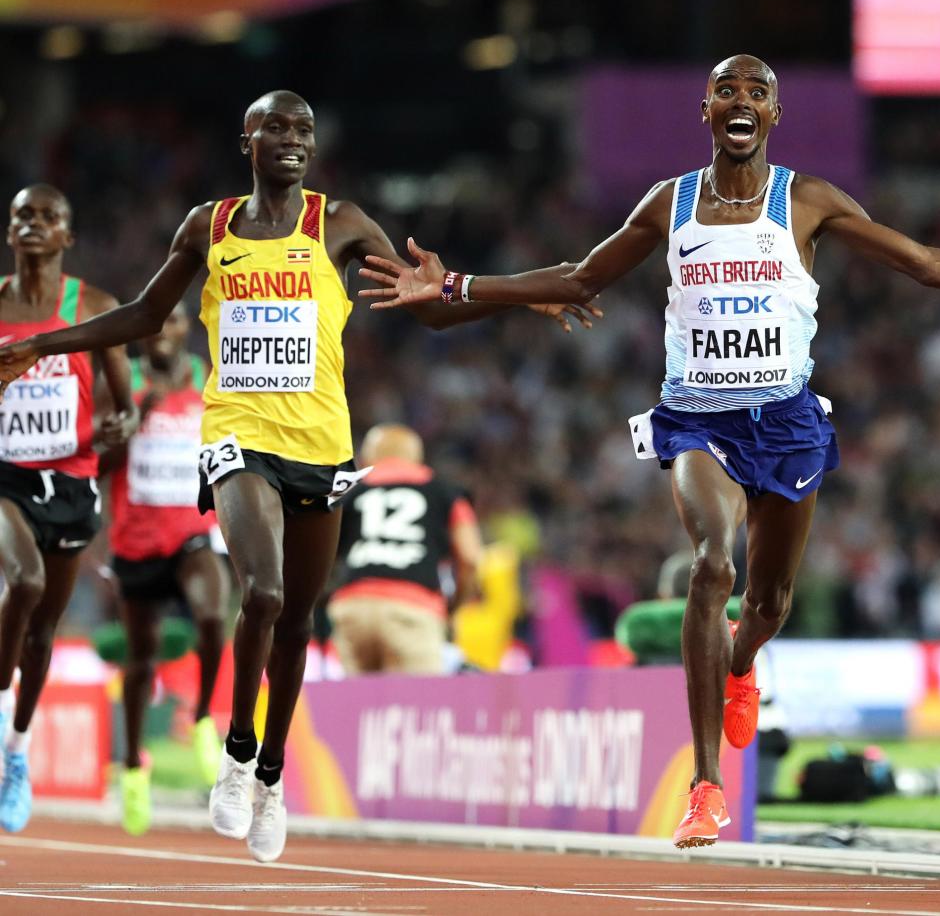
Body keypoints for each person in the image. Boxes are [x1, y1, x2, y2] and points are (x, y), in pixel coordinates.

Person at [357, 55, 940, 848]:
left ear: (774, 115)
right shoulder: (668, 204)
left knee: (768, 605)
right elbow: (578, 279)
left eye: (758, 92)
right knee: (713, 566)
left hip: (786, 423)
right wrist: (456, 288)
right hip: (698, 418)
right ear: (704, 111)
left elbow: (925, 264)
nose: (741, 100)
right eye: (726, 90)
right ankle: (706, 786)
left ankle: (742, 662)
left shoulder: (805, 201)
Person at [0, 91, 597, 861]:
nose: (291, 140)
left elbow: (429, 307)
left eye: (304, 130)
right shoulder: (206, 227)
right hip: (238, 435)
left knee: (298, 623)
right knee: (265, 590)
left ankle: (271, 777)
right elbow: (147, 315)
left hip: (321, 443)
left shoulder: (340, 223)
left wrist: (525, 289)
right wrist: (50, 343)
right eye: (276, 127)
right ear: (246, 139)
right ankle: (237, 750)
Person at [0, 184, 137, 833]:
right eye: (23, 214)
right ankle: (0, 709)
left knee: (43, 631)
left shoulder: (96, 308)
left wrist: (117, 432)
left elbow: (125, 407)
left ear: (66, 237)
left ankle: (18, 756)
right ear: (10, 232)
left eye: (48, 216)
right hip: (6, 477)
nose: (34, 223)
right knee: (22, 581)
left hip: (73, 482)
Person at [98, 302, 228, 836]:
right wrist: (137, 418)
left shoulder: (207, 376)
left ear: (185, 328)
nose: (163, 331)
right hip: (135, 540)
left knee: (214, 612)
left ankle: (201, 718)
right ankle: (133, 769)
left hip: (193, 532)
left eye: (173, 321)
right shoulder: (122, 378)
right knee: (140, 659)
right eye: (154, 321)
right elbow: (98, 464)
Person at [329, 423, 482, 675]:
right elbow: (471, 557)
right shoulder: (444, 492)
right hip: (413, 608)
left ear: (367, 456)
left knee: (357, 708)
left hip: (353, 607)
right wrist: (454, 606)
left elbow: (321, 554)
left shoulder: (347, 492)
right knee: (418, 708)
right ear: (416, 456)